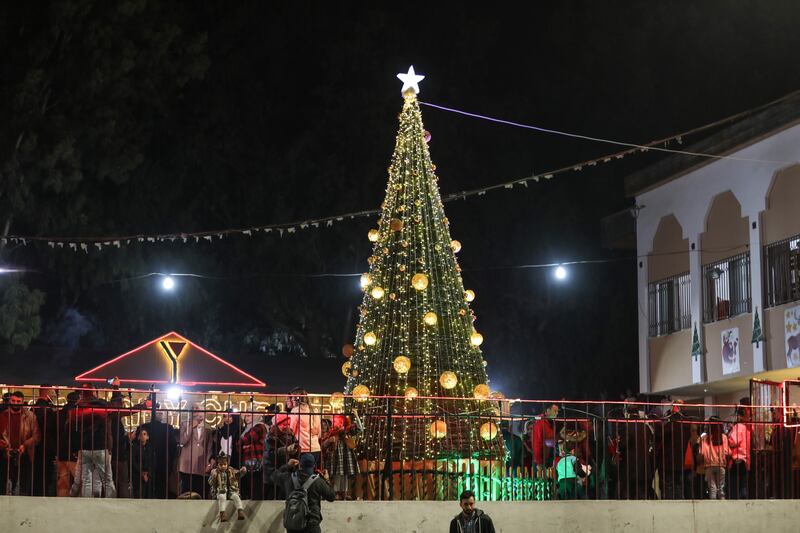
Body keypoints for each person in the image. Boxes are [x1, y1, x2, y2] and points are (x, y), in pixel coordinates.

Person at [72, 386, 116, 498]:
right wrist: (115, 389)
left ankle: (87, 506)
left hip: (85, 447)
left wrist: (76, 446)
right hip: (100, 446)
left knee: (86, 480)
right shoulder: (102, 405)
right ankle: (112, 506)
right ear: (94, 393)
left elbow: (75, 428)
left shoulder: (79, 406)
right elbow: (116, 408)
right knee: (107, 480)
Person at [273, 454, 335, 533]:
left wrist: (287, 466)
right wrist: (327, 480)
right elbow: (332, 496)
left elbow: (274, 476)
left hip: (293, 524)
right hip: (311, 525)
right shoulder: (318, 481)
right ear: (314, 465)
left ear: (300, 464)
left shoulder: (288, 477)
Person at [0, 391, 40, 495]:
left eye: (18, 401)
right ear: (9, 401)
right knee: (4, 483)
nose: (15, 403)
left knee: (24, 484)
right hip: (6, 454)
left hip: (25, 454)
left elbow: (37, 436)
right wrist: (4, 446)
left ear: (22, 402)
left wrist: (25, 445)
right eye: (13, 400)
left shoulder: (30, 416)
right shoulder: (3, 415)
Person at [137, 399, 179, 499]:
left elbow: (137, 443)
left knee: (147, 486)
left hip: (147, 461)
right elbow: (173, 445)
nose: (162, 413)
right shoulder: (168, 428)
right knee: (162, 485)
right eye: (160, 412)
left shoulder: (144, 427)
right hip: (164, 461)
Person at [178, 402, 214, 496]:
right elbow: (182, 441)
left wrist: (208, 463)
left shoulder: (208, 428)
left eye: (198, 409)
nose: (195, 411)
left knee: (200, 491)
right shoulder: (185, 424)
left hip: (201, 464)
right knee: (186, 490)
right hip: (187, 464)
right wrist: (191, 427)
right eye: (193, 408)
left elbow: (209, 447)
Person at [325, 414, 359, 500]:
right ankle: (336, 492)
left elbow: (359, 430)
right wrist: (329, 441)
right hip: (336, 455)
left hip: (345, 455)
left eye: (336, 421)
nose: (334, 423)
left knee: (345, 474)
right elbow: (325, 443)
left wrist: (356, 416)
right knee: (337, 474)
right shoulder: (332, 432)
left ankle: (344, 492)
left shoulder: (348, 431)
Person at [32, 385, 58, 496]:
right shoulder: (48, 409)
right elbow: (51, 427)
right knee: (46, 474)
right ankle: (44, 495)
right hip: (47, 445)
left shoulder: (34, 408)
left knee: (36, 473)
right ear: (48, 394)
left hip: (35, 445)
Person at [208, 452, 247, 522]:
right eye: (221, 465)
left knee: (236, 497)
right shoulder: (214, 472)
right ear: (217, 465)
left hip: (231, 491)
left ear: (227, 464)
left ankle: (240, 511)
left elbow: (238, 474)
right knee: (222, 497)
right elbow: (210, 482)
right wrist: (213, 478)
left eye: (225, 464)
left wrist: (242, 471)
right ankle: (222, 514)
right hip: (220, 491)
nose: (223, 466)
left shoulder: (231, 470)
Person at [287, 389, 322, 467]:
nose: (291, 401)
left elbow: (290, 430)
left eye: (292, 398)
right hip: (316, 448)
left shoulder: (296, 411)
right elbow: (319, 433)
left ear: (297, 398)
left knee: (302, 475)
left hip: (303, 448)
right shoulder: (314, 411)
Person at [239, 409, 269, 499]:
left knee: (256, 484)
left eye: (249, 415)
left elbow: (247, 439)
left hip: (257, 458)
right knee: (250, 484)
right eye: (245, 416)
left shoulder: (259, 426)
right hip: (249, 460)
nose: (246, 418)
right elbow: (239, 445)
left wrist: (245, 445)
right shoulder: (247, 428)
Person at [699, 417, 730, 500]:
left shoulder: (704, 438)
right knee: (721, 489)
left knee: (712, 489)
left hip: (709, 465)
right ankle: (722, 508)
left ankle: (713, 508)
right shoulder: (723, 437)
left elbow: (701, 453)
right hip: (721, 465)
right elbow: (727, 452)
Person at [727, 406, 751, 499]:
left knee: (735, 485)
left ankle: (736, 504)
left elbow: (733, 441)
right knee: (743, 484)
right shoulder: (747, 428)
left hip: (737, 458)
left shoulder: (738, 427)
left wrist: (728, 437)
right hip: (745, 459)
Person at [531, 403, 558, 476]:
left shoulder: (550, 422)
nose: (557, 413)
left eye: (557, 411)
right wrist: (538, 462)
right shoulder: (540, 422)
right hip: (541, 460)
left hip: (547, 458)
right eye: (555, 411)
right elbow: (537, 442)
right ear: (547, 411)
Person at [131, 427, 154, 498]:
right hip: (138, 475)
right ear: (138, 437)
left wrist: (147, 473)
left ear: (148, 437)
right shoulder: (135, 448)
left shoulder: (150, 448)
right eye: (141, 434)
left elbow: (152, 462)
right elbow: (133, 462)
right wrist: (142, 473)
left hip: (148, 475)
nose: (143, 436)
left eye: (145, 434)